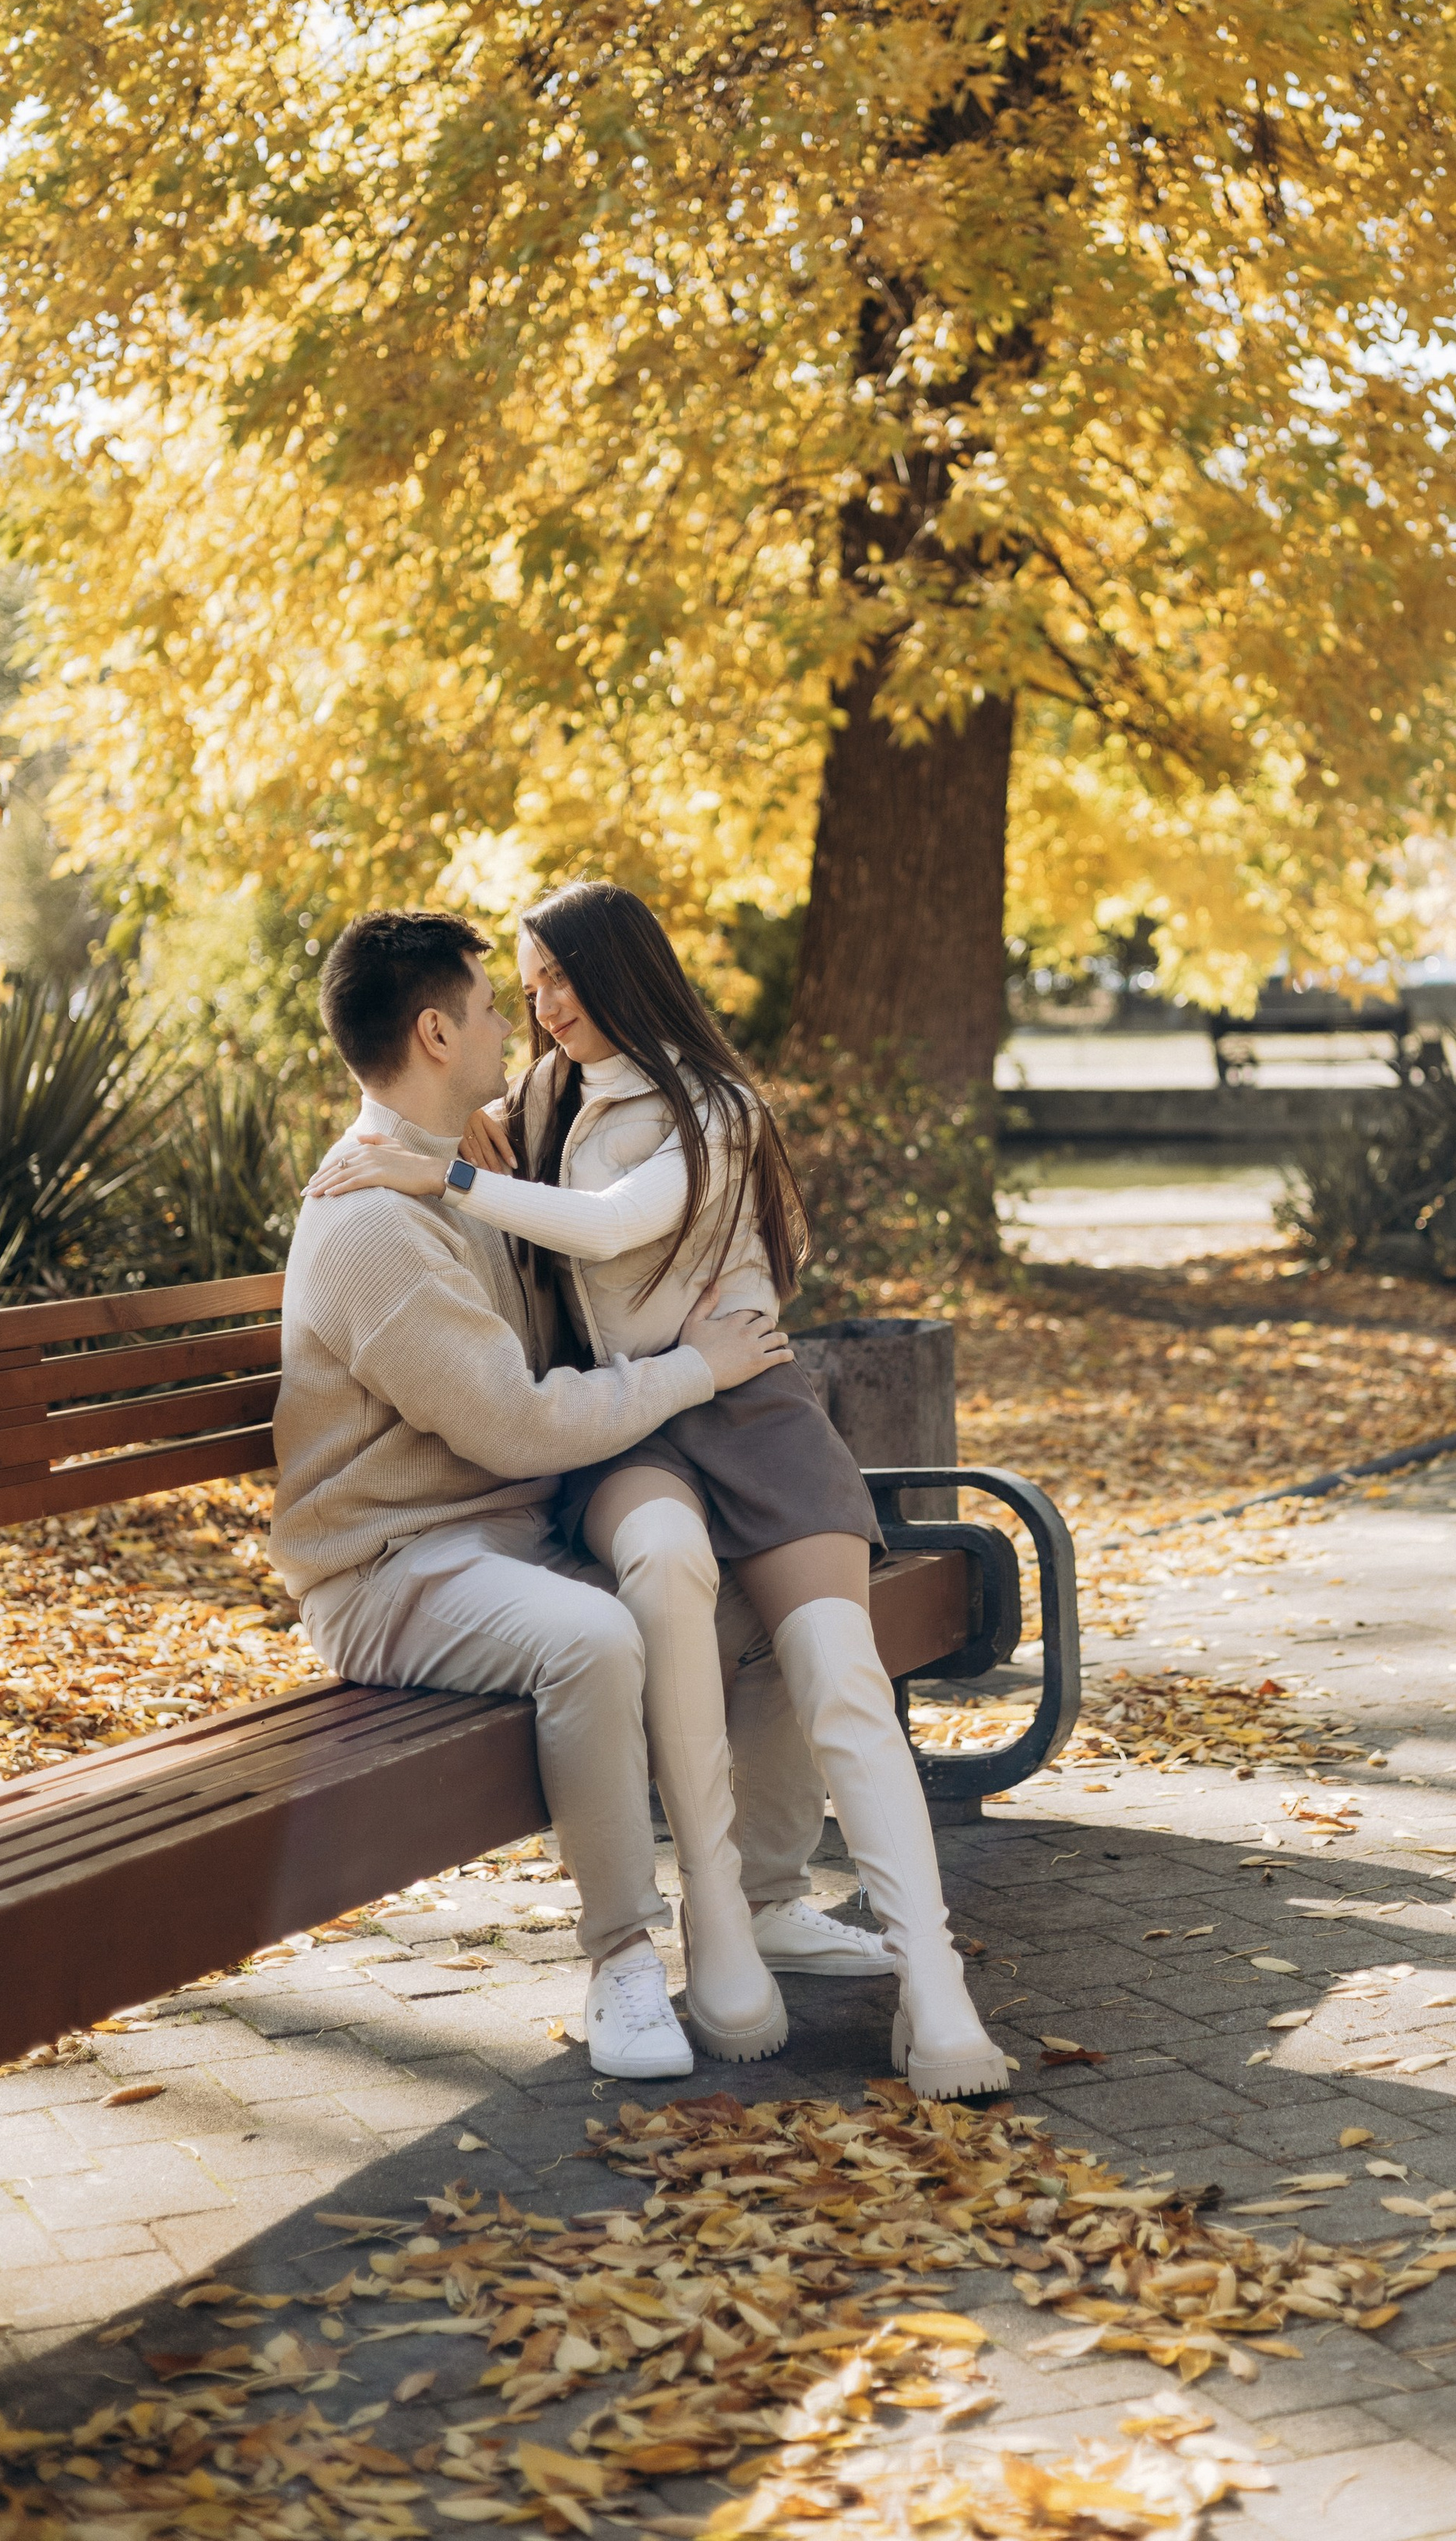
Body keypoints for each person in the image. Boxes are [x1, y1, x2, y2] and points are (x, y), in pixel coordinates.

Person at [305, 881, 1009, 2101]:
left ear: (619, 970)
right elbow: (455, 1127)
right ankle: (699, 1933)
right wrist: (459, 1146)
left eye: (556, 980)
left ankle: (925, 1979)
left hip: (729, 1419)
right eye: (519, 990)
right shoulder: (520, 1114)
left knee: (824, 1656)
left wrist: (448, 1173)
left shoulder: (708, 1105)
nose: (537, 1010)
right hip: (597, 1451)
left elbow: (615, 1223)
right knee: (659, 1586)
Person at [275, 906, 821, 2084]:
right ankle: (621, 1959)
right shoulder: (371, 1222)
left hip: (513, 1536)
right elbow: (514, 1424)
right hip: (389, 1566)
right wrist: (695, 1371)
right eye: (493, 1008)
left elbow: (608, 1179)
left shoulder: (473, 1159)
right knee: (595, 1640)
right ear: (435, 1034)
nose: (518, 1028)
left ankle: (771, 1901)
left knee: (755, 1604)